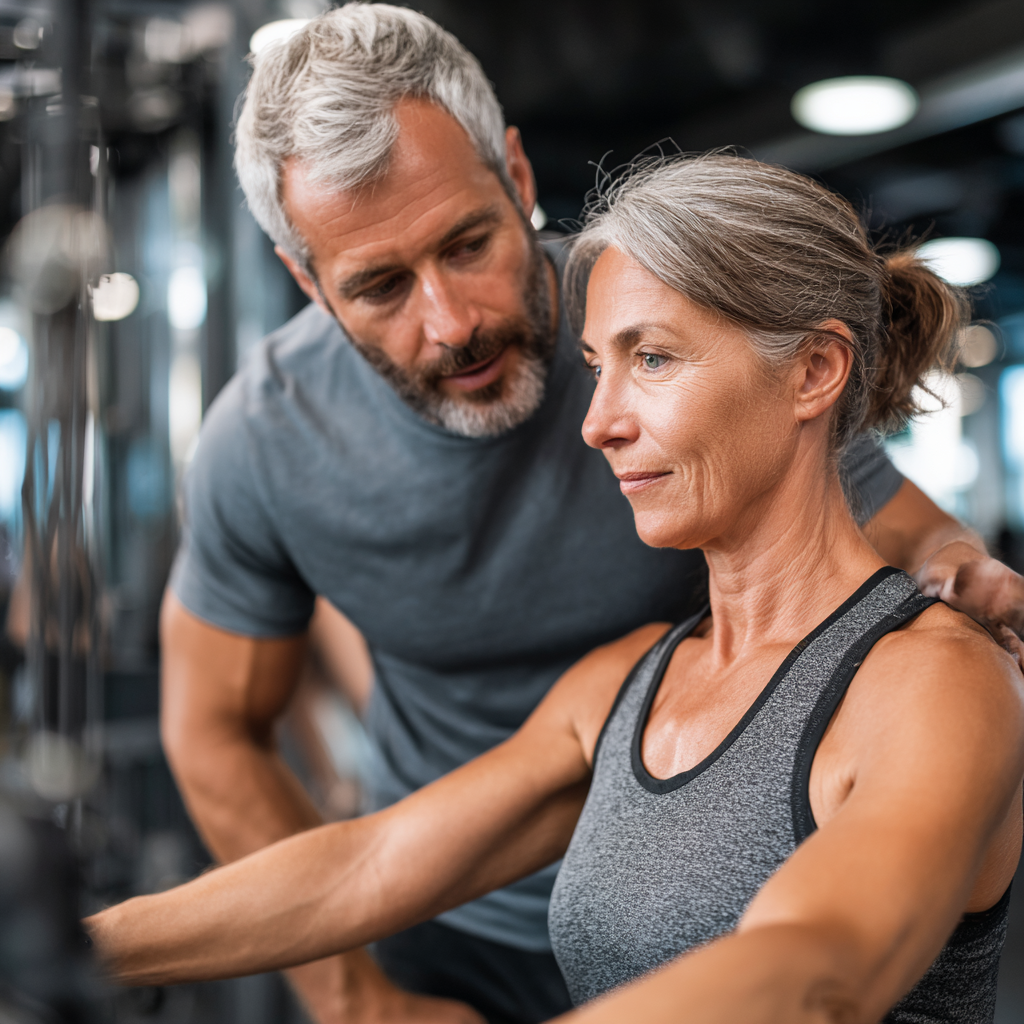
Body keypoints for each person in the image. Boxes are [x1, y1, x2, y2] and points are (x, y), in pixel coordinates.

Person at [162, 6, 1024, 1023]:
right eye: (381, 285)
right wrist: (352, 1002)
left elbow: (811, 968)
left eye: (468, 244)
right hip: (470, 905)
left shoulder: (642, 293)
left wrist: (962, 578)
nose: (451, 322)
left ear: (517, 177)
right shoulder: (267, 443)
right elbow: (353, 848)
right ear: (307, 283)